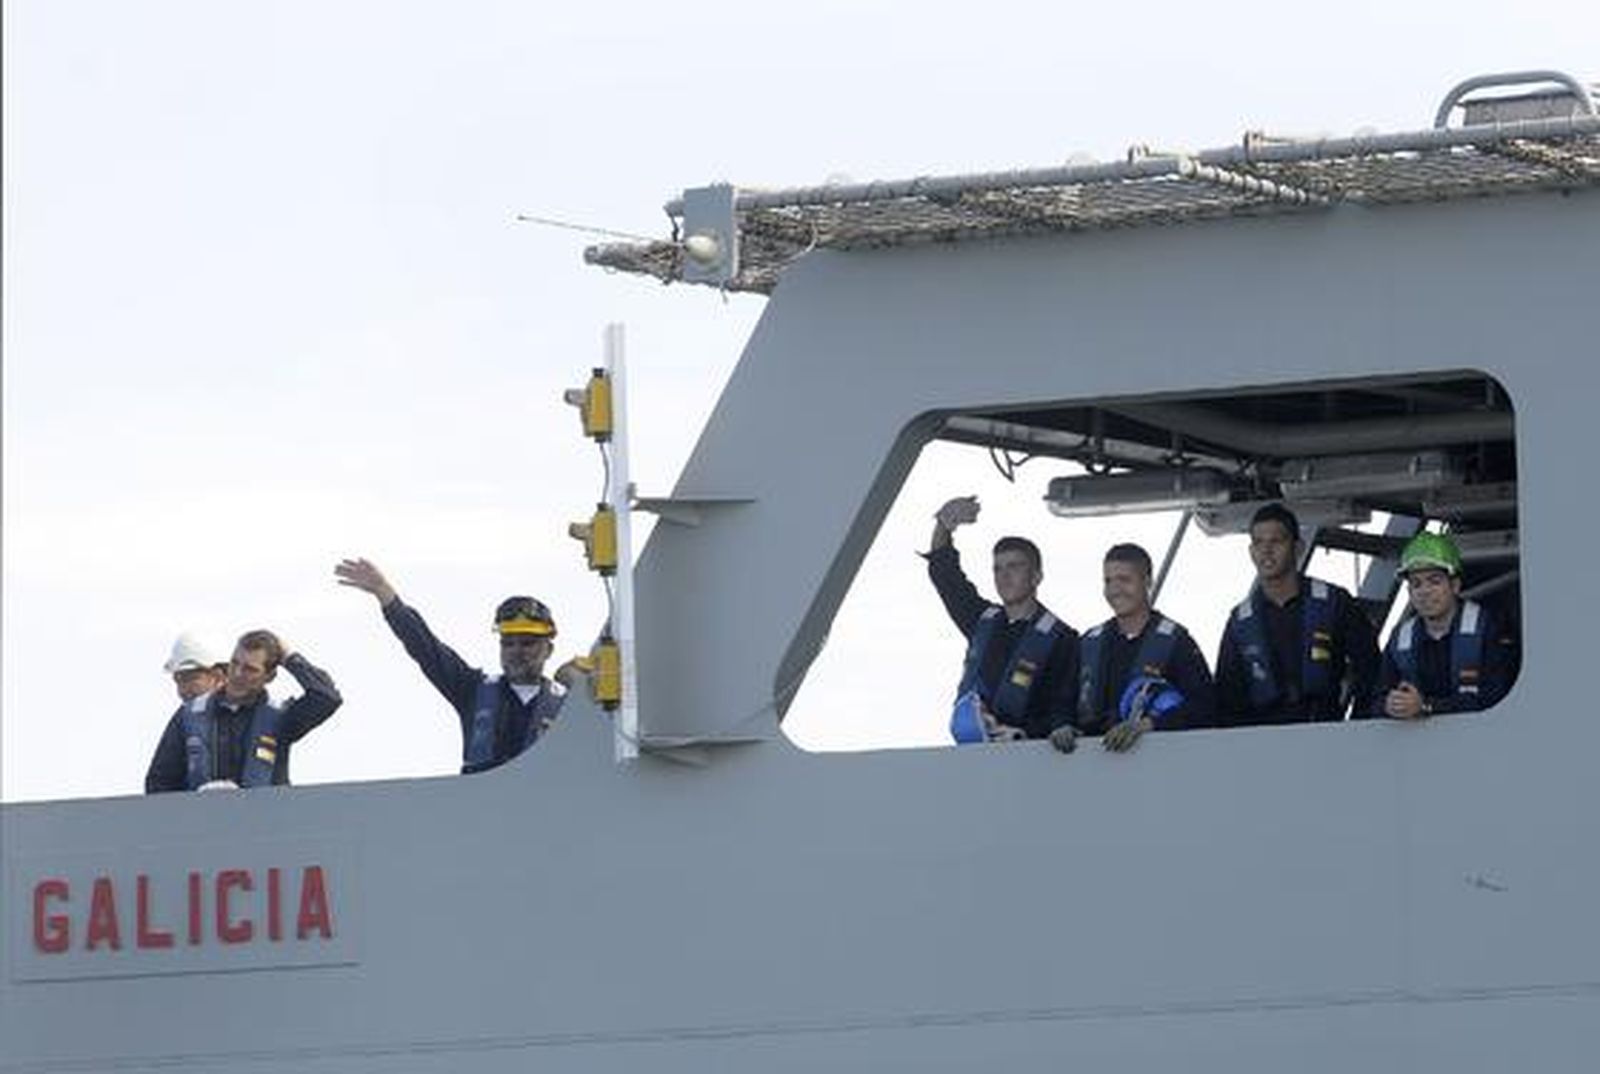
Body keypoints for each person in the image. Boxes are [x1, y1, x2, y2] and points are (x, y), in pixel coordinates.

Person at [336, 557, 572, 774]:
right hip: (479, 809)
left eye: (527, 643)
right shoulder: (472, 689)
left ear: (548, 650)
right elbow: (426, 647)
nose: (516, 652)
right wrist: (384, 593)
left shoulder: (569, 705)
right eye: (508, 643)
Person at [925, 495, 1079, 742]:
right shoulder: (981, 620)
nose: (1004, 576)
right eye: (998, 568)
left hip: (1028, 756)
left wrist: (1027, 733)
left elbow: (1063, 706)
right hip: (973, 753)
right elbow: (945, 576)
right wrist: (943, 525)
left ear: (1037, 576)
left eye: (1014, 567)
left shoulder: (1063, 639)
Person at [1214, 503, 1380, 726]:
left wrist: (1359, 724)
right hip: (1262, 740)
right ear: (1251, 551)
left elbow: (1371, 669)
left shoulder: (1335, 603)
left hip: (1324, 731)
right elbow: (1227, 695)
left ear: (1298, 547)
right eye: (1258, 542)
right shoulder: (1240, 621)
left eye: (1276, 541)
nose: (1266, 550)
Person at [1060, 542, 1214, 753]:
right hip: (1091, 764)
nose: (1114, 590)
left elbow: (1205, 707)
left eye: (1124, 580)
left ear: (1147, 581)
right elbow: (1061, 704)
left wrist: (1149, 725)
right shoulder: (1088, 643)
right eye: (1108, 581)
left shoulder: (1177, 643)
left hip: (1157, 766)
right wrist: (1062, 726)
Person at [146, 629, 342, 792]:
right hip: (203, 828)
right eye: (235, 664)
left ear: (269, 676)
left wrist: (289, 656)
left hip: (262, 829)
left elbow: (326, 697)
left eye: (250, 669)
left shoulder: (280, 718)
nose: (238, 674)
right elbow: (159, 784)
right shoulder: (188, 716)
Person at [1375, 531, 1516, 718]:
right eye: (1416, 584)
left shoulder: (1489, 628)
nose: (1424, 591)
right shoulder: (1400, 638)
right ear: (1409, 592)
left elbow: (1500, 698)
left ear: (1455, 585)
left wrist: (1427, 706)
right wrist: (1389, 706)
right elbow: (1376, 700)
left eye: (1434, 581)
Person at [162, 631, 228, 703]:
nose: (182, 691)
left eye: (190, 679)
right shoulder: (186, 713)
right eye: (178, 681)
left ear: (218, 677)